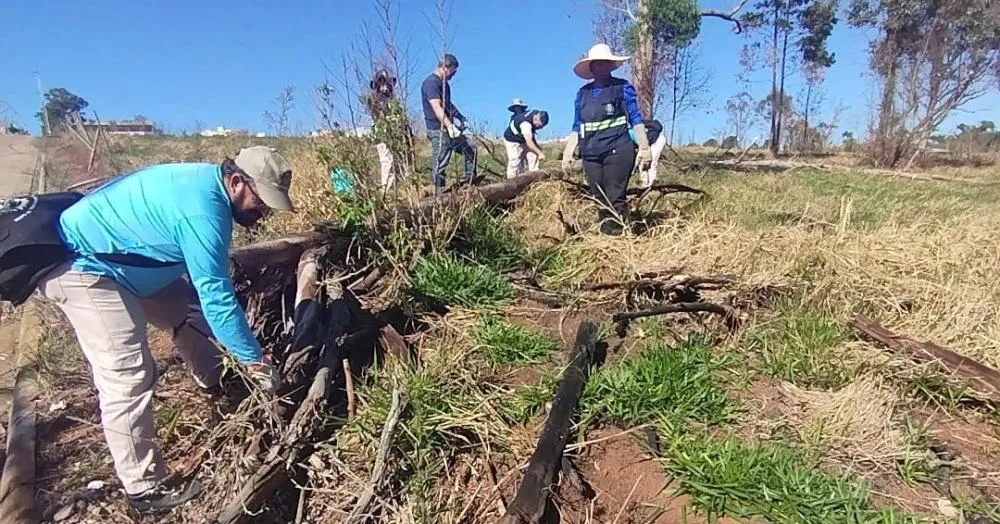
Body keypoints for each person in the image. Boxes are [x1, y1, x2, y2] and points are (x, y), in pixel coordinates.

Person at [37, 147, 293, 515]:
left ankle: (220, 387)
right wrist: (255, 362)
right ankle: (143, 489)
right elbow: (217, 296)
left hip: (130, 264)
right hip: (85, 266)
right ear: (236, 181)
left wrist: (242, 356)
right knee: (128, 375)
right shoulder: (203, 211)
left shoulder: (205, 185)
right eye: (260, 201)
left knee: (190, 318)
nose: (263, 211)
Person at [562, 44, 651, 235]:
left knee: (615, 195)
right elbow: (578, 124)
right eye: (597, 64)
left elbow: (635, 117)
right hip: (591, 153)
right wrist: (569, 151)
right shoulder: (582, 94)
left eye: (605, 63)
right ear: (592, 67)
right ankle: (606, 234)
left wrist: (644, 147)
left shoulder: (622, 88)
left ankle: (618, 237)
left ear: (611, 66)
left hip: (617, 149)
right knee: (599, 196)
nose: (601, 67)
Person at [421, 54, 477, 191]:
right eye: (453, 71)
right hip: (437, 129)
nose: (453, 75)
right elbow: (436, 106)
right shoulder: (431, 83)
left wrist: (460, 117)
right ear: (445, 67)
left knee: (470, 146)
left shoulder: (444, 84)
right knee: (441, 160)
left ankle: (470, 181)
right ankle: (438, 192)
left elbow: (448, 105)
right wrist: (449, 125)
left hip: (448, 128)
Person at [364, 68, 414, 190]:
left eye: (387, 82)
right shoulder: (374, 100)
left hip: (396, 135)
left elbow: (401, 117)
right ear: (377, 84)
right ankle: (386, 191)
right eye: (381, 82)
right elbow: (379, 118)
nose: (385, 85)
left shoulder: (392, 100)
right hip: (383, 135)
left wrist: (408, 133)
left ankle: (400, 188)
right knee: (387, 161)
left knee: (400, 161)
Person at [503, 109, 549, 177]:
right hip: (512, 140)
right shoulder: (526, 124)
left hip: (523, 138)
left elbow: (531, 137)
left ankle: (535, 175)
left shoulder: (535, 113)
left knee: (534, 154)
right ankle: (511, 180)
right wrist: (540, 153)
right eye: (539, 125)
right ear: (536, 119)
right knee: (515, 161)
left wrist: (538, 150)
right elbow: (529, 143)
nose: (540, 128)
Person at [633, 119, 667, 188]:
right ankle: (645, 183)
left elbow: (658, 126)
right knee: (642, 163)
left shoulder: (638, 126)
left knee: (652, 162)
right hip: (645, 144)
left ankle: (651, 184)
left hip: (657, 141)